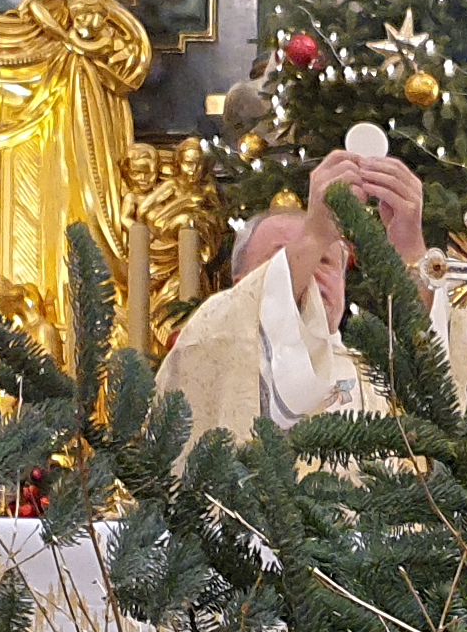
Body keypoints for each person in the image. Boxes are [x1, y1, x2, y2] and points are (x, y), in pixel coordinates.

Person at [154, 146, 428, 439]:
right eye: (282, 259)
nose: (309, 272)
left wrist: (411, 253)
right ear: (242, 284)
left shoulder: (380, 374)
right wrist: (314, 236)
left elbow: (441, 383)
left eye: (325, 260)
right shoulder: (216, 336)